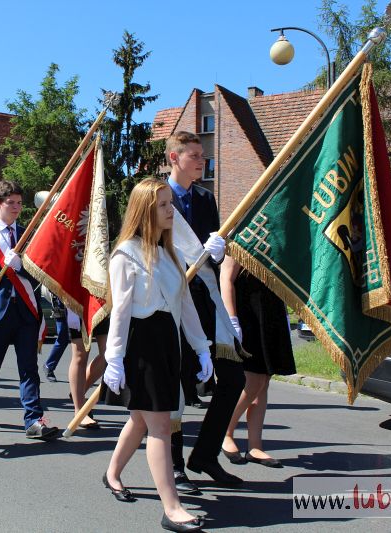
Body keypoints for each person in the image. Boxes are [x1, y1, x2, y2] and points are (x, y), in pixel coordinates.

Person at [102, 177, 210, 532]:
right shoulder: (125, 254)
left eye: (171, 204)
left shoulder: (168, 254)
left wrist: (202, 348)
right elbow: (120, 310)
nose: (171, 211)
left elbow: (186, 305)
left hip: (168, 344)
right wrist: (114, 358)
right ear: (145, 210)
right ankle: (172, 507)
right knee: (160, 426)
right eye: (164, 205)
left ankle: (112, 473)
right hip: (141, 347)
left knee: (140, 420)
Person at [164, 131, 243, 488]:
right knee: (178, 382)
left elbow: (215, 255)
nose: (201, 160)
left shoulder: (205, 198)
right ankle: (175, 465)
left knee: (232, 379)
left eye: (202, 155)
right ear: (173, 158)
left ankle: (206, 455)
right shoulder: (157, 198)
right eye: (193, 154)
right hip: (173, 302)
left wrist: (218, 251)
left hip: (206, 302)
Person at [0, 180, 59, 440]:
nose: (16, 208)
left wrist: (21, 267)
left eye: (18, 203)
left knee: (29, 367)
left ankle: (34, 419)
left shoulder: (27, 234)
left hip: (25, 311)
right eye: (10, 203)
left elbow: (38, 275)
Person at [220, 256, 296, 468]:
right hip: (247, 313)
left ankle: (255, 446)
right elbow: (226, 278)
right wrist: (232, 320)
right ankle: (224, 430)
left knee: (263, 382)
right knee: (253, 381)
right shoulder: (241, 232)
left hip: (269, 310)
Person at [66, 308, 108, 429]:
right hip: (77, 299)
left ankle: (78, 393)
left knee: (108, 354)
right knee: (80, 355)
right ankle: (79, 411)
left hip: (102, 300)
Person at [42, 292, 68, 383]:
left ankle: (82, 373)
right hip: (61, 301)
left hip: (75, 299)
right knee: (63, 337)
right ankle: (49, 366)